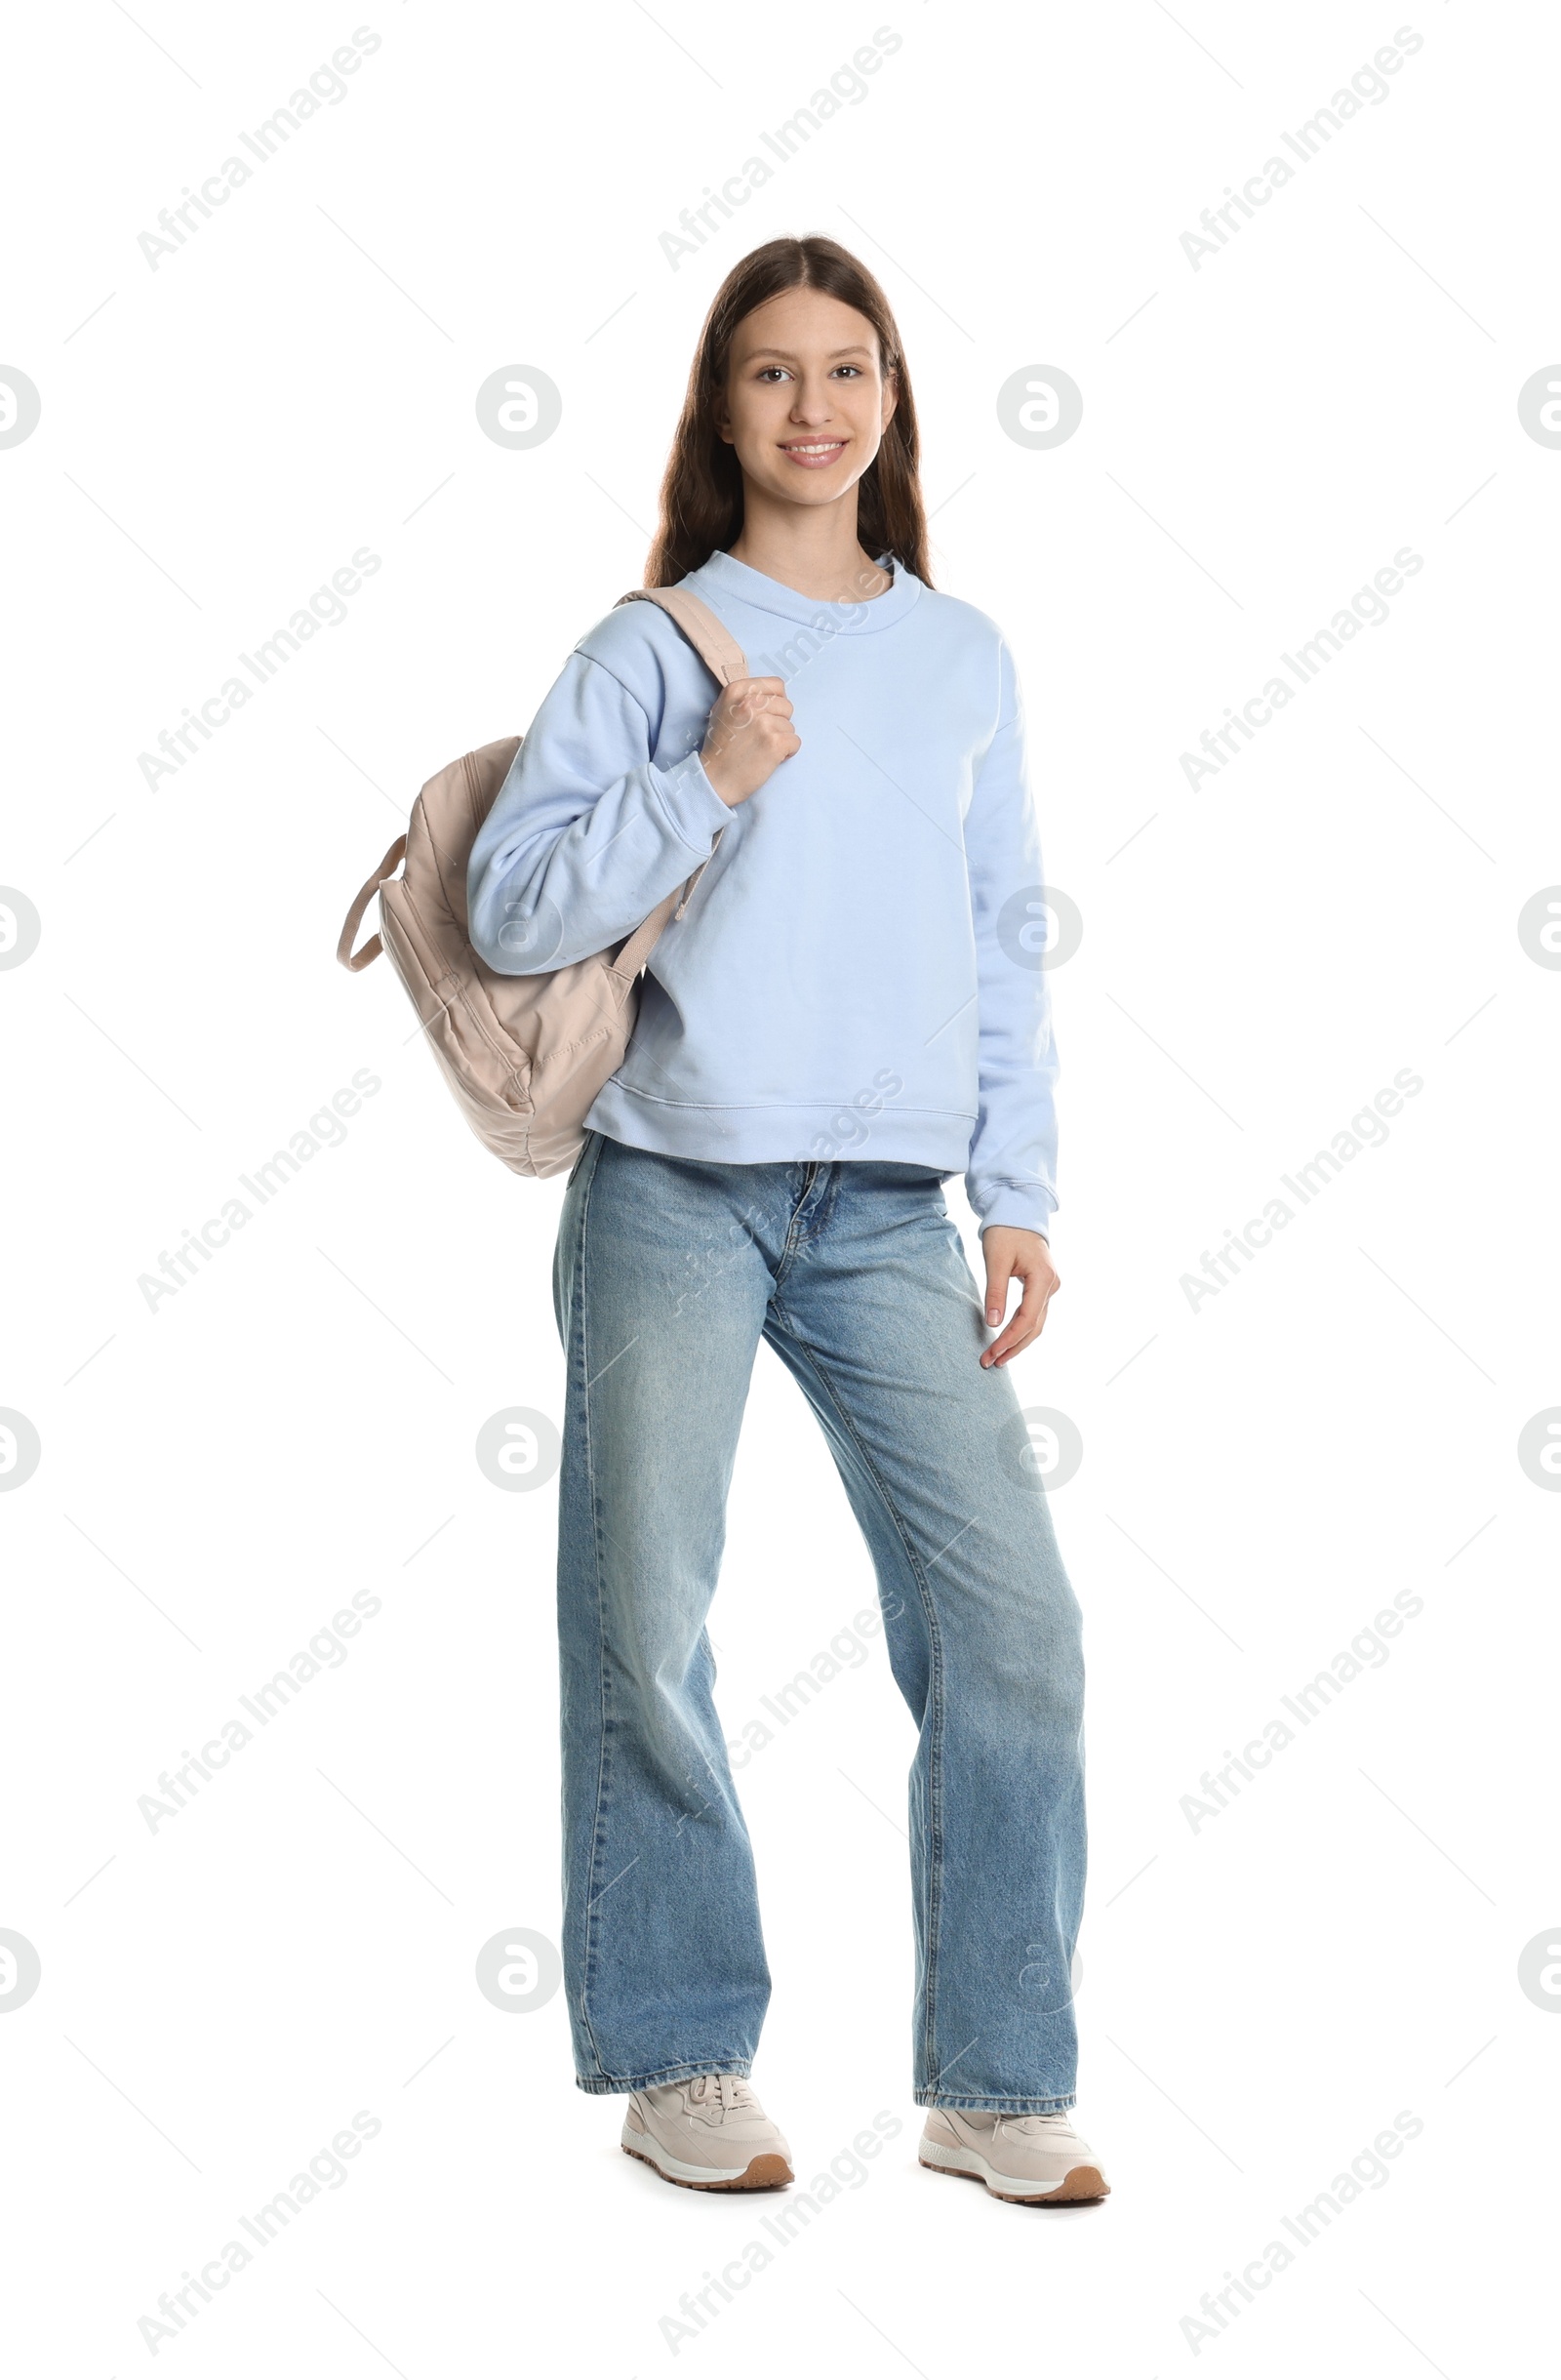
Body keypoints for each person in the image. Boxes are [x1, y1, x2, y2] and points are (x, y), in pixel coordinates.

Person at [466, 235, 1105, 2206]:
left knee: (1013, 1632)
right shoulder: (653, 647)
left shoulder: (960, 651)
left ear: (891, 401)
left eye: (847, 369)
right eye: (769, 373)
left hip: (891, 1214)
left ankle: (991, 2081)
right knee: (641, 1624)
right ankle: (679, 2053)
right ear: (721, 407)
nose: (812, 406)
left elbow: (1002, 929)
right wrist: (703, 781)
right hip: (672, 1181)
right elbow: (506, 908)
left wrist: (1018, 1183)